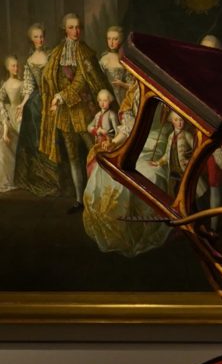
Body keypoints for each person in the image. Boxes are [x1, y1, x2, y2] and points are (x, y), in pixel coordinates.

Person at [37, 13, 111, 211]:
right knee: (72, 158)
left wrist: (60, 96)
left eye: (78, 27)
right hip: (64, 116)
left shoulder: (85, 53)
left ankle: (100, 197)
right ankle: (80, 199)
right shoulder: (57, 52)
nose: (75, 31)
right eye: (71, 27)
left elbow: (80, 82)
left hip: (84, 111)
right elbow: (49, 76)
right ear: (65, 29)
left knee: (94, 153)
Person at [80, 88, 167, 256]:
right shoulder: (135, 91)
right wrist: (113, 142)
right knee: (105, 169)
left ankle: (136, 231)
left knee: (149, 175)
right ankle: (114, 229)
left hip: (157, 140)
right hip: (133, 140)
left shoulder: (167, 89)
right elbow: (128, 129)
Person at [13, 22, 59, 197]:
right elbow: (29, 85)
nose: (39, 39)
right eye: (36, 37)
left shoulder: (51, 55)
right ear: (31, 40)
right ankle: (40, 177)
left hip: (51, 99)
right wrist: (23, 103)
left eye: (41, 36)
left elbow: (56, 78)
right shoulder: (30, 60)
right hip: (35, 103)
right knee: (34, 136)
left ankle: (55, 179)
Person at [0, 54, 25, 190]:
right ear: (8, 68)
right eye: (13, 66)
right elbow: (0, 100)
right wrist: (5, 118)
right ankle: (12, 177)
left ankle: (21, 177)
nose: (16, 68)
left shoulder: (22, 83)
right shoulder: (5, 84)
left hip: (21, 113)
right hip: (11, 115)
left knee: (21, 146)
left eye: (17, 65)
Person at [100, 24, 137, 111]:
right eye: (109, 39)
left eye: (115, 39)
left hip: (123, 97)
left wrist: (122, 84)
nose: (111, 42)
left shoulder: (124, 59)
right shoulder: (103, 59)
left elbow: (133, 86)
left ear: (120, 40)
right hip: (107, 98)